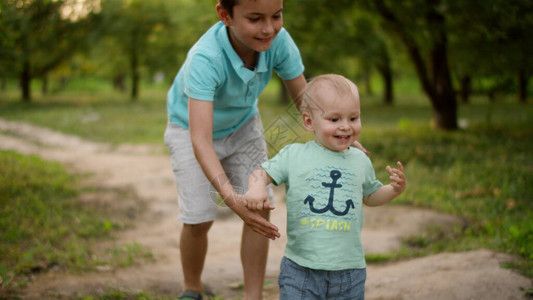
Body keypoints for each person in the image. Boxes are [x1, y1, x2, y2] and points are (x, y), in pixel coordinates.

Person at [163, 0, 307, 299]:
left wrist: (336, 132)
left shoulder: (279, 42)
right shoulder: (206, 57)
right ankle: (192, 288)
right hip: (189, 130)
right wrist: (229, 197)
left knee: (259, 206)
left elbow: (306, 103)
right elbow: (200, 139)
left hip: (243, 125)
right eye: (255, 19)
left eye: (277, 16)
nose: (269, 28)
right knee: (199, 217)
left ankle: (252, 295)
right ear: (224, 15)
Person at [243, 74, 407, 299]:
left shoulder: (360, 160)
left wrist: (394, 190)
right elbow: (260, 173)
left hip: (349, 269)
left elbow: (370, 196)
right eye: (334, 120)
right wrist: (256, 188)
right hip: (301, 268)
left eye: (353, 118)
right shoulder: (294, 155)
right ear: (309, 121)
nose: (345, 127)